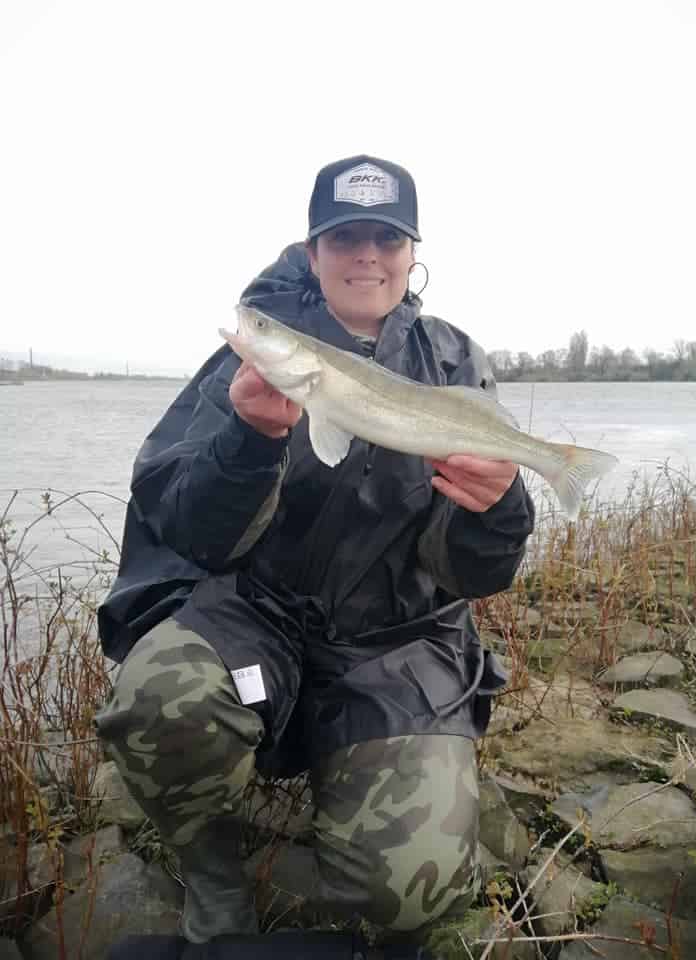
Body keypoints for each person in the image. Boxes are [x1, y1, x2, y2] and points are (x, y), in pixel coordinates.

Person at [95, 155, 535, 950]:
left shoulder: (454, 363)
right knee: (159, 701)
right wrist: (248, 440)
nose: (366, 255)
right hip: (255, 616)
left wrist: (498, 506)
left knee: (411, 892)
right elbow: (185, 524)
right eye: (344, 238)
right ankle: (213, 872)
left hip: (396, 642)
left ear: (412, 252)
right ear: (312, 252)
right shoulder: (247, 364)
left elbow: (477, 575)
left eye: (385, 237)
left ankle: (370, 792)